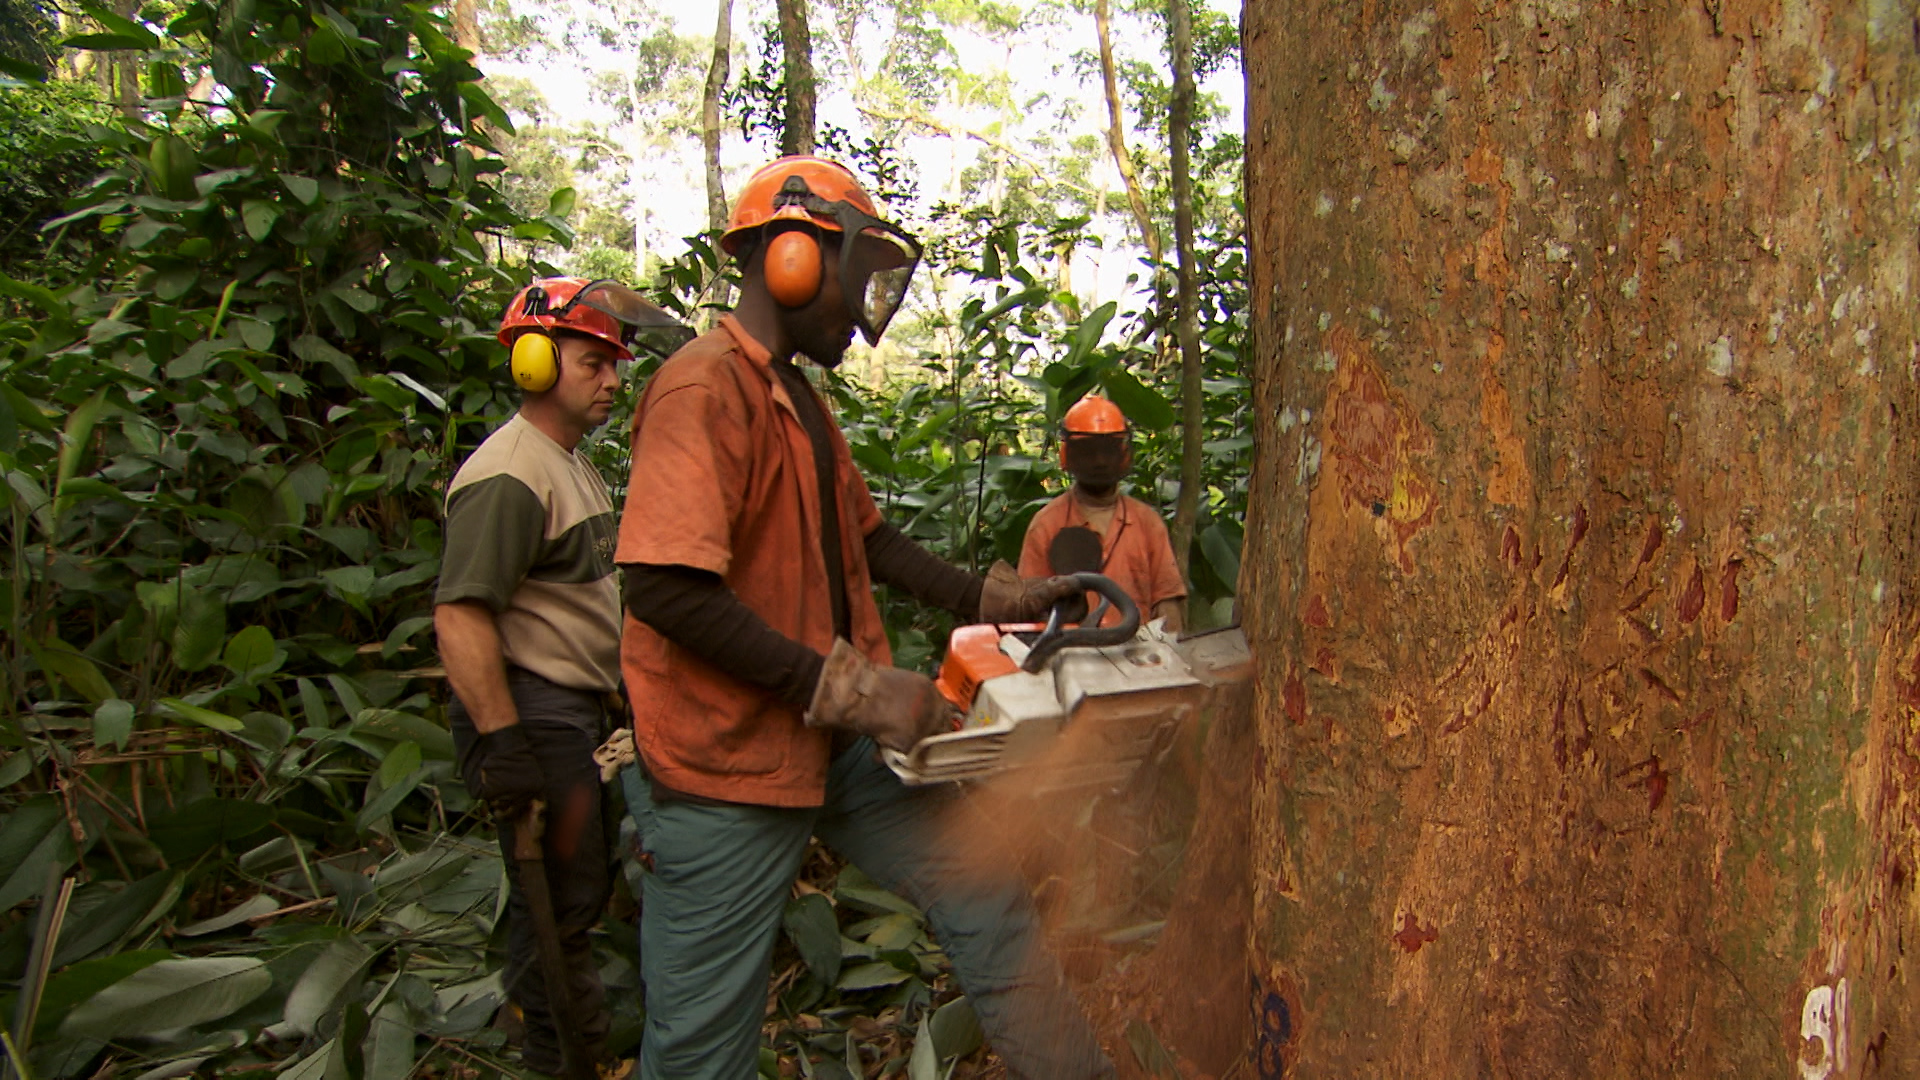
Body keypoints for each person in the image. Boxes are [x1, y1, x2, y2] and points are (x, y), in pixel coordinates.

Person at [612, 156, 1117, 1079]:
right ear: (794, 257)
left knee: (987, 891)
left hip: (832, 746)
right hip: (725, 766)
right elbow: (663, 591)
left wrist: (993, 598)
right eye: (858, 274)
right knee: (700, 1053)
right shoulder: (702, 390)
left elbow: (871, 543)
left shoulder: (798, 399)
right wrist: (846, 687)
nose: (861, 307)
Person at [434, 276, 682, 1078]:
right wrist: (504, 741)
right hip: (533, 713)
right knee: (558, 901)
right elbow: (463, 615)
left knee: (568, 892)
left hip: (570, 711)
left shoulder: (568, 465)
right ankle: (557, 1057)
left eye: (615, 365)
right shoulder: (509, 473)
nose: (613, 381)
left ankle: (544, 1038)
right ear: (535, 363)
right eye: (592, 363)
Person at [1018, 395, 1188, 632]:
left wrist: (1169, 657)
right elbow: (1030, 608)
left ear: (1123, 453)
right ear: (1069, 455)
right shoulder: (1047, 524)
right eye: (1089, 451)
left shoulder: (1147, 523)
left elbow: (1167, 601)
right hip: (1072, 657)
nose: (1099, 461)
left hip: (1138, 658)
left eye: (1107, 451)